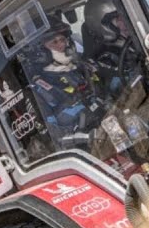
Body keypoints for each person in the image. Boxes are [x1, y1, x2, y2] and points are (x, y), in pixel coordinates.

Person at [25, 17, 106, 147]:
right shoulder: (38, 89)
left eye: (63, 39)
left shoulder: (84, 68)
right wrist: (85, 137)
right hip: (84, 150)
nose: (62, 45)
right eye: (54, 42)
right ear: (40, 49)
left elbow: (111, 93)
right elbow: (53, 136)